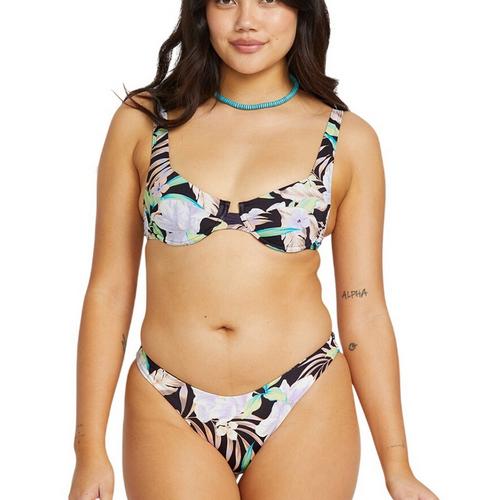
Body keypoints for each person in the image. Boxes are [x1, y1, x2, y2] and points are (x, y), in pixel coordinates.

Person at [69, 1, 439, 499]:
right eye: (226, 0)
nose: (246, 20)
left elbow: (364, 306)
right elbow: (109, 291)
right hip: (168, 400)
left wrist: (398, 465)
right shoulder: (144, 122)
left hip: (303, 395)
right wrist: (89, 449)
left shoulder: (349, 140)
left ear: (302, 11)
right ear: (201, 11)